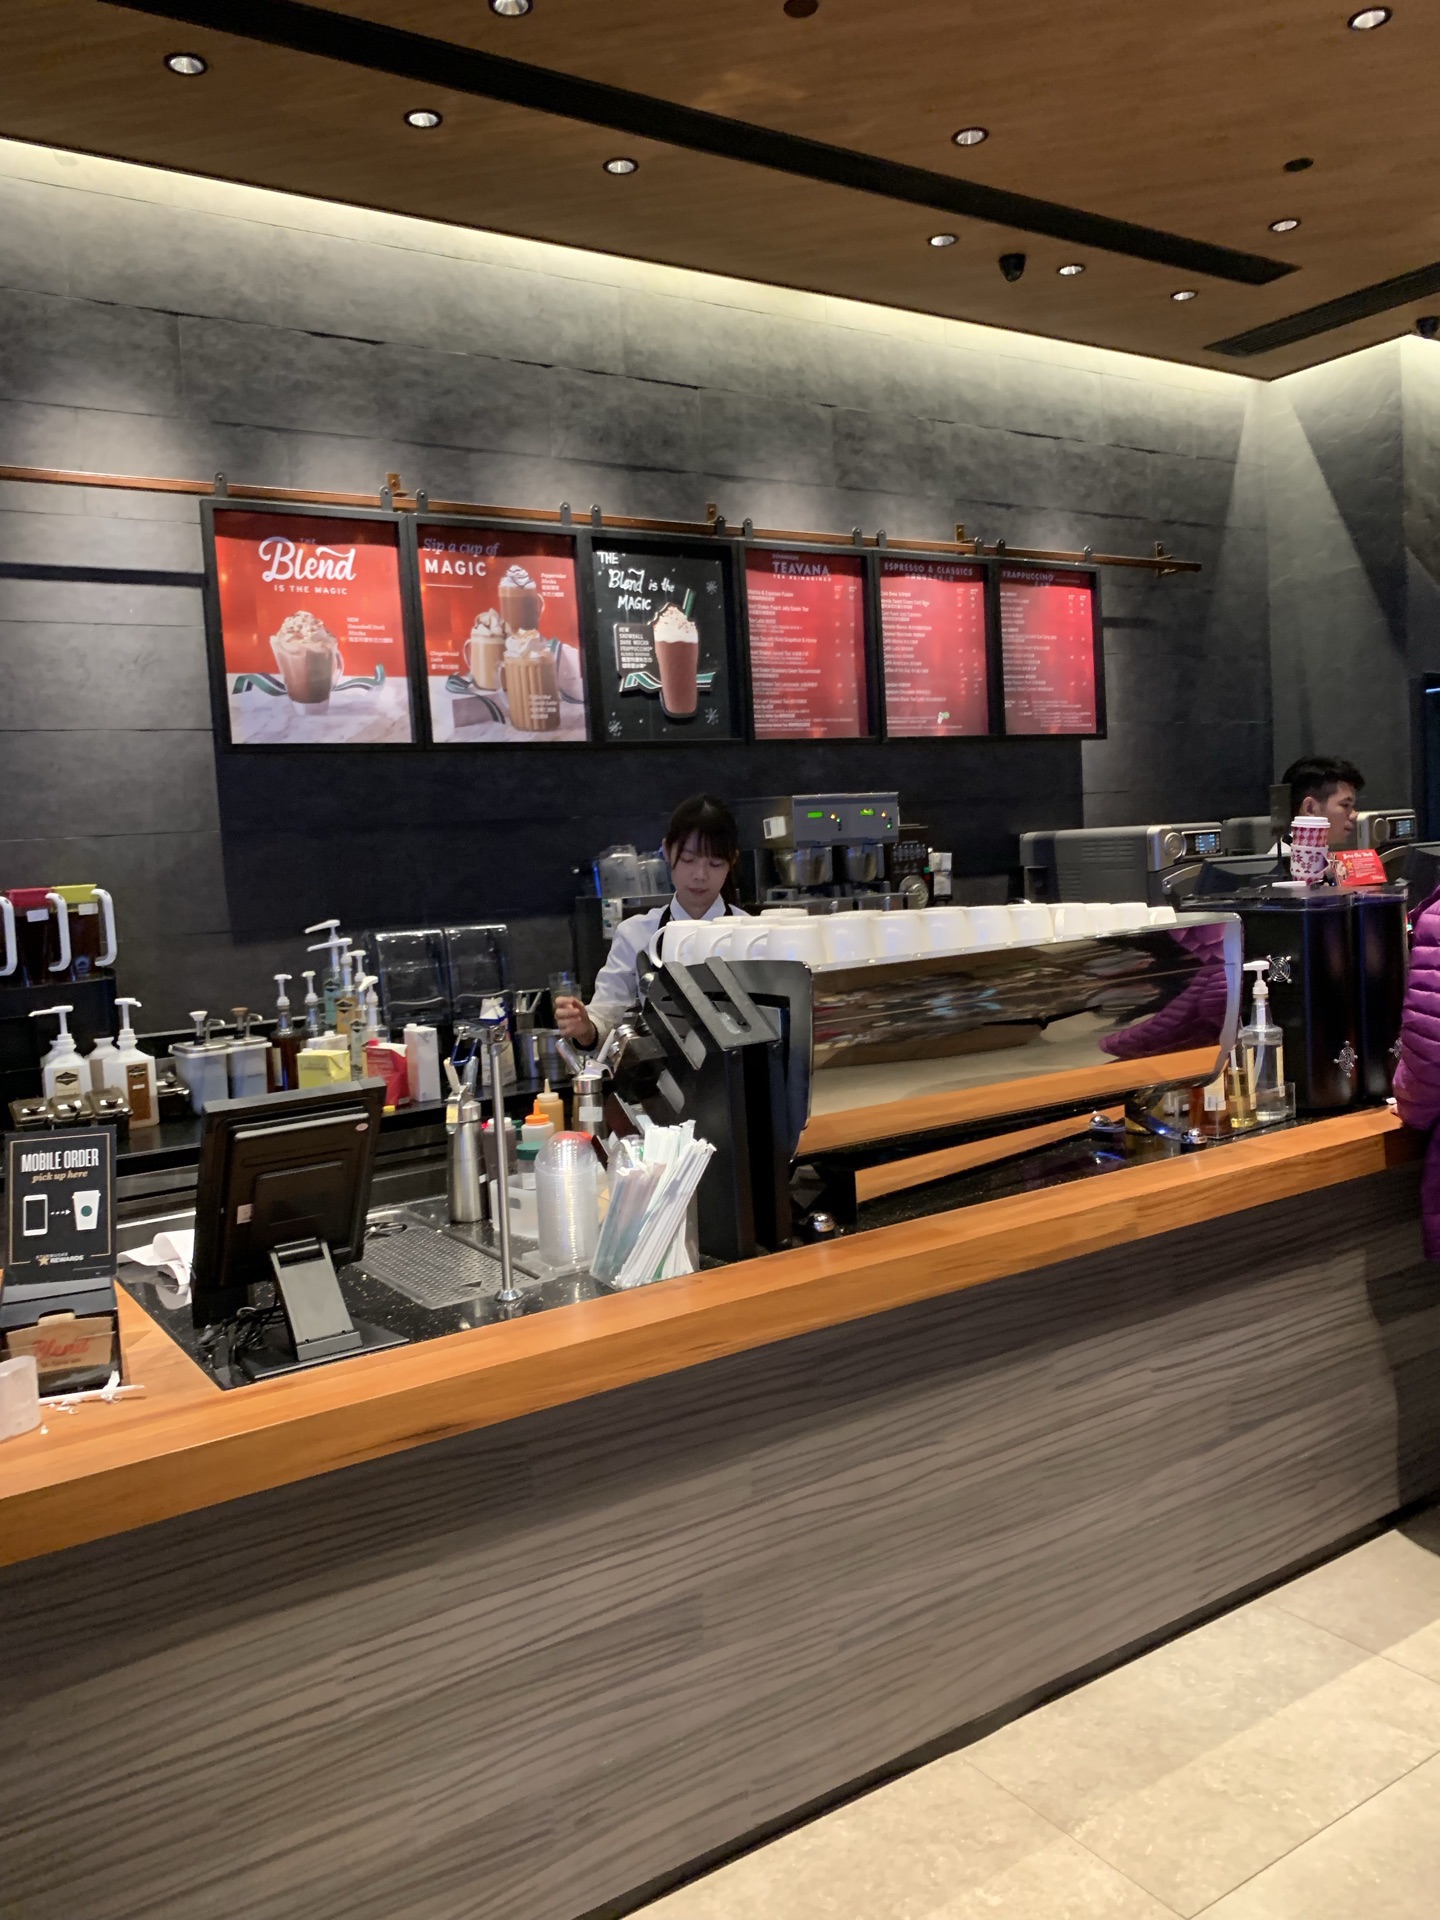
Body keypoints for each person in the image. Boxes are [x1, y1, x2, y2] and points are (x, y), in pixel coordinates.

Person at [555, 794, 747, 1051]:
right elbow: (606, 1015)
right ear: (667, 851)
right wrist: (585, 1027)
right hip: (663, 1070)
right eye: (688, 859)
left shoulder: (752, 932)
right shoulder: (636, 933)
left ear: (732, 861)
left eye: (715, 863)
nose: (700, 875)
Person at [1277, 755, 1365, 853]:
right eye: (1345, 805)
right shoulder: (1281, 861)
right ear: (1310, 808)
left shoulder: (1317, 856)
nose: (1354, 815)